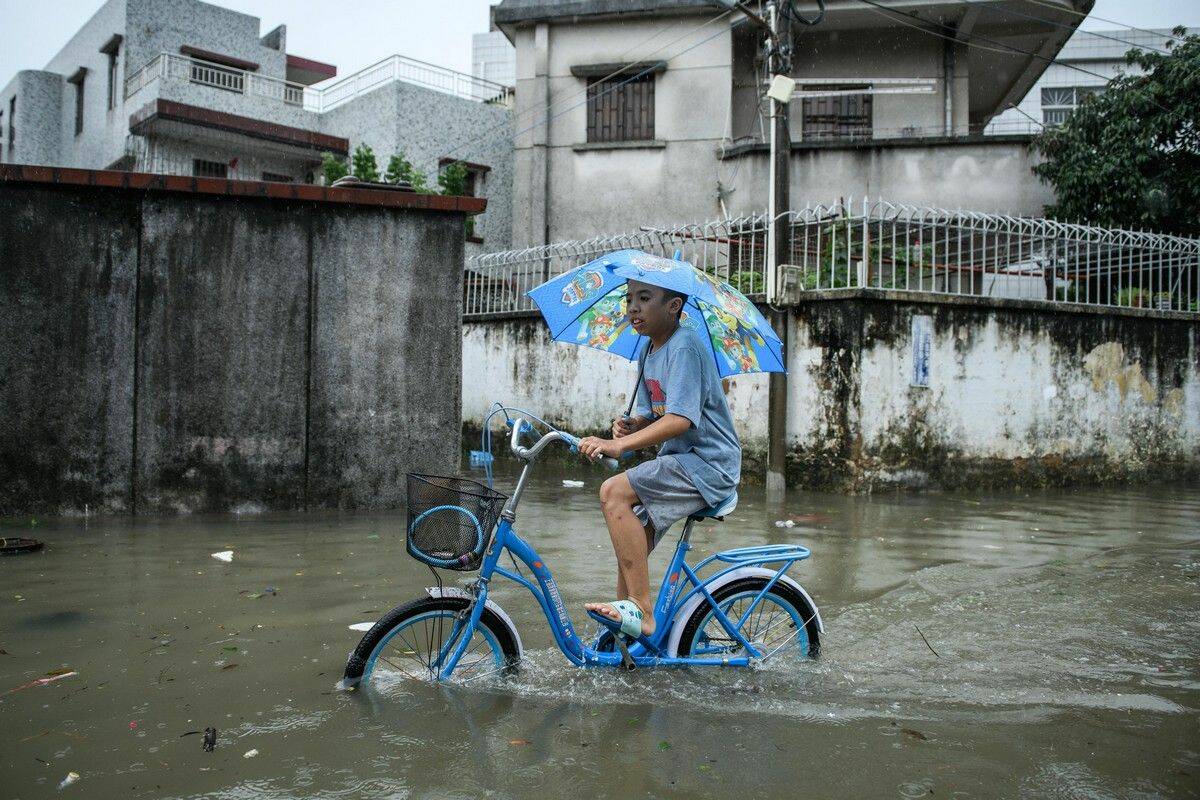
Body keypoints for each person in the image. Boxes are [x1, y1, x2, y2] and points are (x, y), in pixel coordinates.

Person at [577, 278, 741, 638]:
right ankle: (627, 624)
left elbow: (680, 419)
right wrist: (631, 425)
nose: (632, 307)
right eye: (629, 299)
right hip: (682, 462)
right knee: (629, 531)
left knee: (612, 492)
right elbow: (654, 413)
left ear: (674, 307)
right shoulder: (647, 350)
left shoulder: (685, 346)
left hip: (707, 464)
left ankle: (642, 611)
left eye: (644, 298)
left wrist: (619, 446)